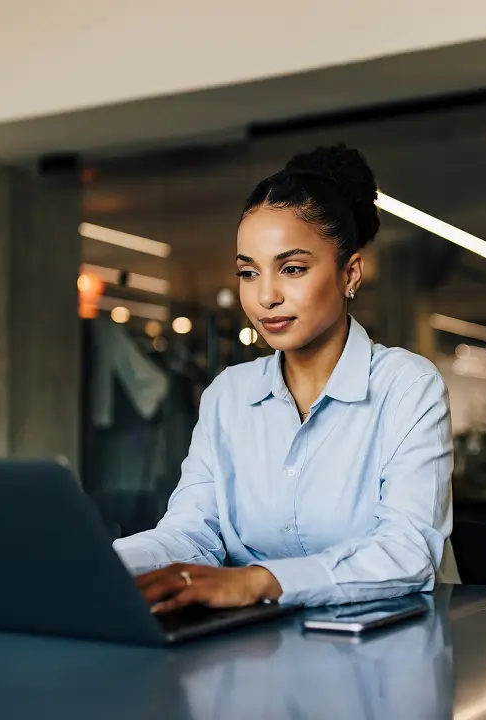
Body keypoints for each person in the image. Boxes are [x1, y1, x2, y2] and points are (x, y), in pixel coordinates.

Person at [113, 144, 458, 612]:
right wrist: (101, 562)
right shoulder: (228, 395)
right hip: (257, 642)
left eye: (291, 269)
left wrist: (260, 581)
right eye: (248, 273)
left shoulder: (407, 387)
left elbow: (406, 551)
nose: (266, 296)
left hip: (387, 644)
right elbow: (191, 533)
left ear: (350, 273)